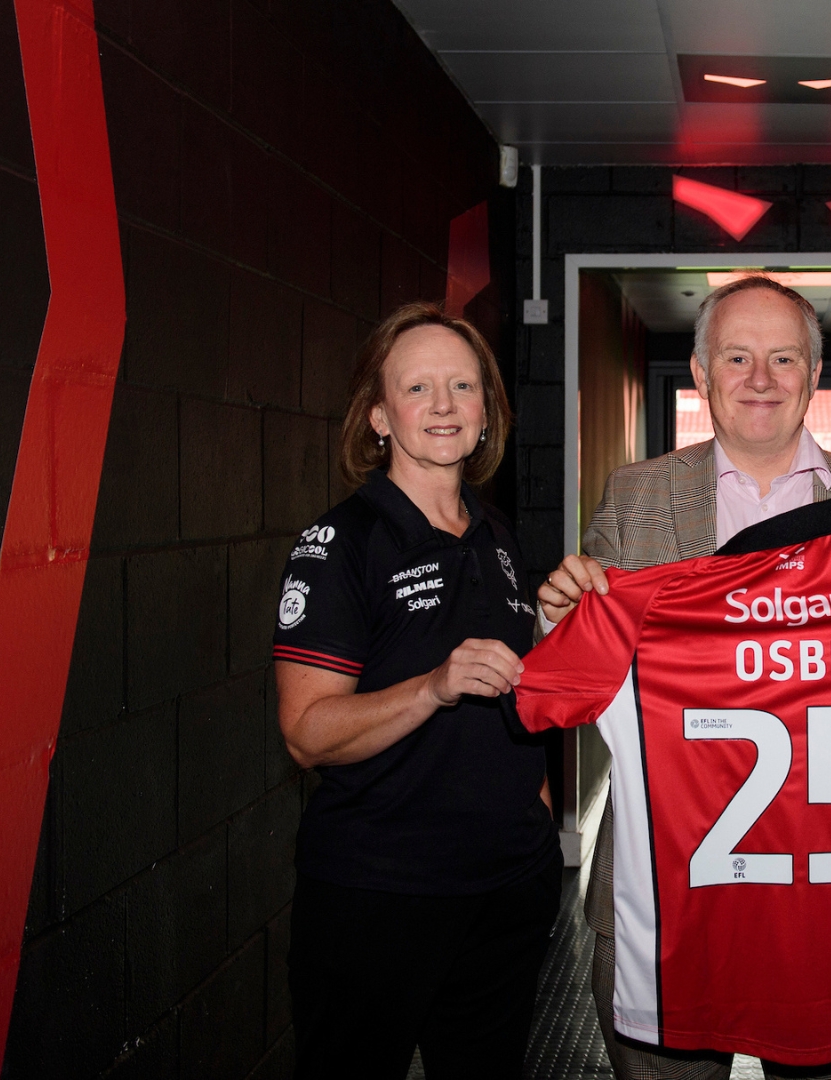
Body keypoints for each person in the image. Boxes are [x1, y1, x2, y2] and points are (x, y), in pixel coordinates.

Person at [536, 273, 831, 1080]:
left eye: (784, 359)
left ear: (815, 377)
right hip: (664, 876)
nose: (761, 380)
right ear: (700, 374)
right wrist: (558, 615)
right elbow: (587, 667)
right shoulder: (636, 494)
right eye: (738, 358)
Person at [273, 302, 559, 1079]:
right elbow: (306, 733)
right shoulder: (340, 545)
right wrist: (431, 688)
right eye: (419, 387)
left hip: (504, 891)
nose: (442, 406)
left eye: (463, 386)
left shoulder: (499, 537)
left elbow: (518, 702)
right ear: (379, 416)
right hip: (378, 897)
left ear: (486, 412)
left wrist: (535, 819)